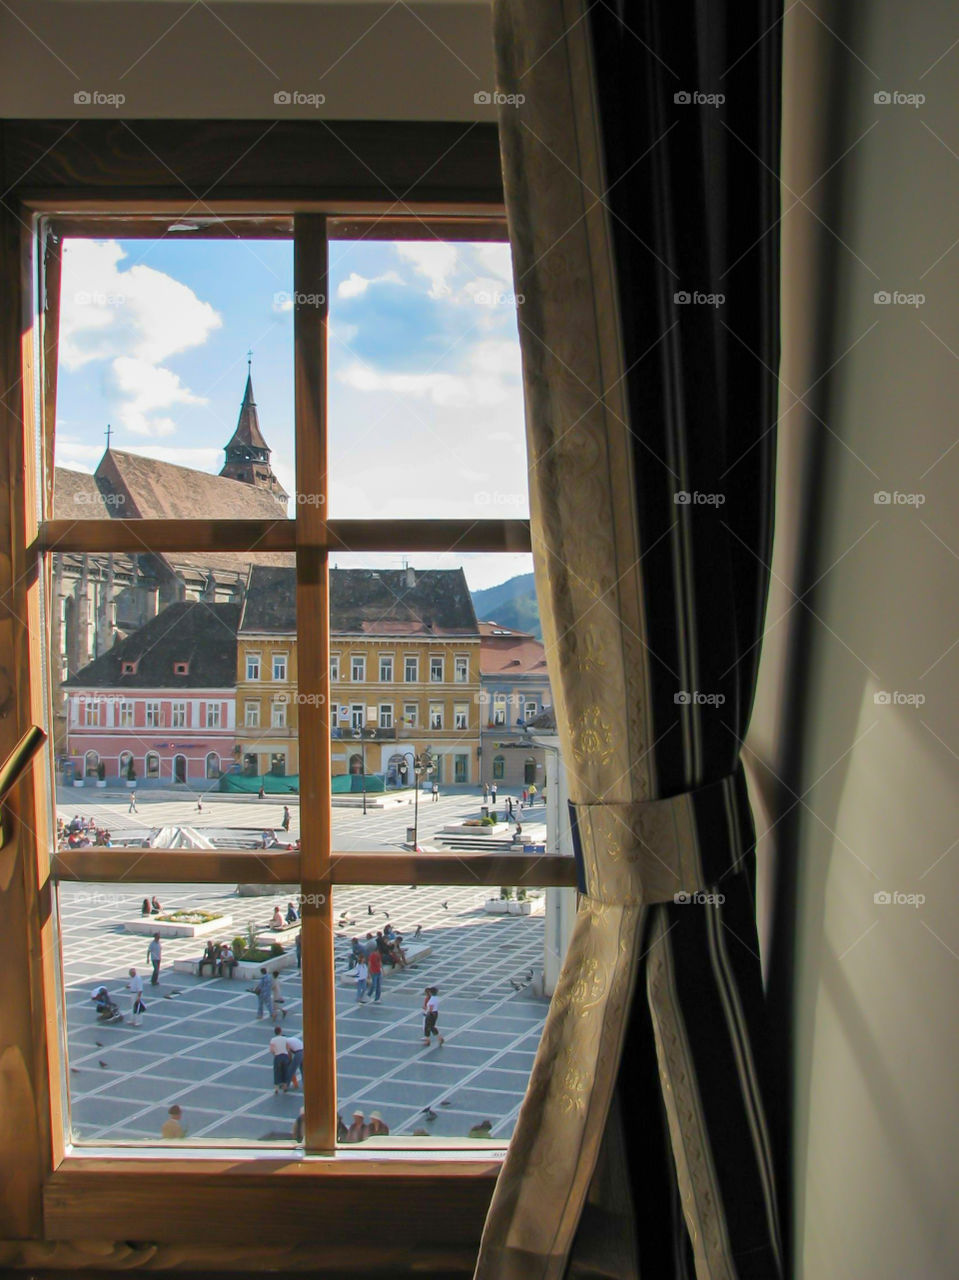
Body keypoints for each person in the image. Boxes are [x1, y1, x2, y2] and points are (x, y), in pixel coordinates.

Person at [269, 1025, 291, 1093]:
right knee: (285, 1071)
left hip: (278, 1057)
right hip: (285, 1056)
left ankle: (276, 1088)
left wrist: (275, 1053)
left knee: (277, 1072)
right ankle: (285, 1087)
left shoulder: (273, 1040)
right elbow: (288, 1048)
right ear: (280, 1031)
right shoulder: (285, 1038)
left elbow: (271, 1050)